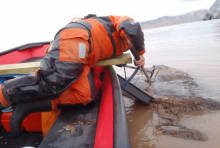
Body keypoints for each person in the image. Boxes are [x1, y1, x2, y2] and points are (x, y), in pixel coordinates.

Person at [0, 14, 146, 137]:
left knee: (86, 96)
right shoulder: (121, 21)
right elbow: (132, 29)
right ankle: (4, 93)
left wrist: (130, 56)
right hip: (79, 38)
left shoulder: (114, 37)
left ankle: (26, 108)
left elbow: (118, 43)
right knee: (53, 81)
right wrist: (140, 54)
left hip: (84, 57)